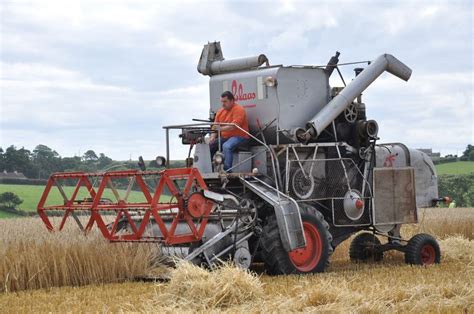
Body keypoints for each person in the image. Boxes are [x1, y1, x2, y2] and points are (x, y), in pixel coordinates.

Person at [209, 91, 249, 172]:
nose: (223, 104)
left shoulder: (239, 109)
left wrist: (219, 129)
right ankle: (209, 169)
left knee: (227, 146)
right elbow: (214, 127)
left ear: (232, 101)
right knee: (211, 145)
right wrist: (212, 136)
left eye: (225, 102)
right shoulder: (220, 111)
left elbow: (233, 127)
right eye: (222, 102)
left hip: (241, 137)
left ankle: (227, 171)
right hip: (226, 137)